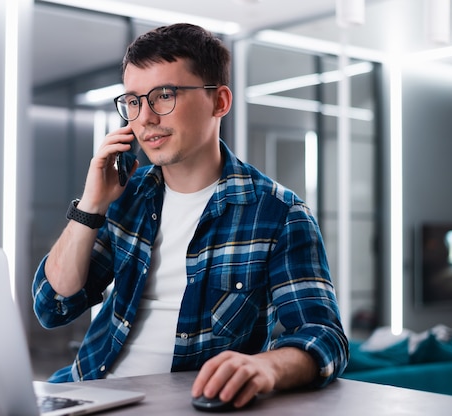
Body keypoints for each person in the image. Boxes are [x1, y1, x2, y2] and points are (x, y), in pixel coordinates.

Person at [32, 23, 348, 409]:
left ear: (219, 102)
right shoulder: (126, 197)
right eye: (133, 101)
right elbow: (53, 306)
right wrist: (91, 207)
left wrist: (265, 367)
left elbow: (322, 336)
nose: (144, 117)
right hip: (84, 391)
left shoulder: (279, 213)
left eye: (164, 95)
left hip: (182, 405)